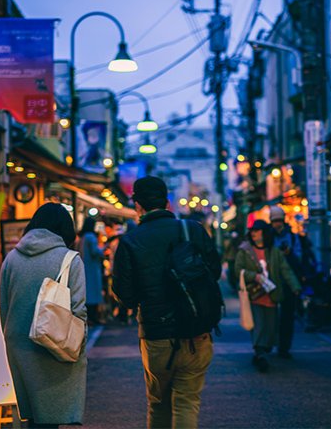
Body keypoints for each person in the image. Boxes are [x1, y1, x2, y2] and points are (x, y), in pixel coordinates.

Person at [112, 176, 220, 429]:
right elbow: (213, 271)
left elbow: (125, 297)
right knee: (187, 401)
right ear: (168, 203)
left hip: (157, 335)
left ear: (137, 205)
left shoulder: (130, 241)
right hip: (197, 330)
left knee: (158, 402)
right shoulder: (192, 229)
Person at [0, 203, 87, 428]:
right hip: (56, 345)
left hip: (19, 347)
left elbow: (4, 309)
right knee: (52, 416)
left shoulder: (11, 259)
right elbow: (79, 310)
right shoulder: (70, 259)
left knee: (33, 417)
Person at [234, 219, 302, 373]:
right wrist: (254, 276)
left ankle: (263, 351)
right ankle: (260, 353)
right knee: (258, 325)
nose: (254, 233)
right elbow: (238, 270)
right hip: (254, 294)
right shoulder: (245, 250)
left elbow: (286, 270)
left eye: (257, 231)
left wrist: (295, 287)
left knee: (270, 327)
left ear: (265, 233)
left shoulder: (274, 251)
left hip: (272, 294)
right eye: (252, 231)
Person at [269, 205, 315, 359]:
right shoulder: (268, 237)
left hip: (290, 281)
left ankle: (284, 347)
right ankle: (270, 344)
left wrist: (289, 254)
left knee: (287, 316)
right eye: (274, 220)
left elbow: (299, 257)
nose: (277, 223)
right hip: (272, 280)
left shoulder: (293, 237)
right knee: (272, 315)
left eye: (279, 220)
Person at [78, 217, 105, 325]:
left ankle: (89, 317)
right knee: (94, 292)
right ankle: (94, 317)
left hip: (84, 267)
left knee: (88, 293)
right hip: (93, 268)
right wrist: (103, 248)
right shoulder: (91, 237)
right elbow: (95, 252)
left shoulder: (83, 237)